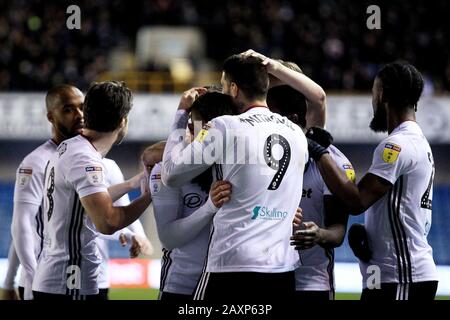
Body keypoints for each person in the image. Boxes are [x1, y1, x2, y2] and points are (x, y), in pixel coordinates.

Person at [162, 53, 308, 301]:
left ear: (234, 88)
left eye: (223, 85)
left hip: (233, 262)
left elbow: (171, 174)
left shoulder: (225, 126)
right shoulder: (296, 132)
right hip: (282, 267)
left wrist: (180, 116)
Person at [307, 62, 439, 300]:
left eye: (373, 92)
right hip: (400, 274)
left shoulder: (396, 145)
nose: (372, 101)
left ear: (383, 94)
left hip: (400, 277)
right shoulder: (417, 142)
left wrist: (319, 153)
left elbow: (356, 201)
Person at [32, 81, 151, 300]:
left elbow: (83, 201)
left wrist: (132, 184)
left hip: (62, 277)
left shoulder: (73, 147)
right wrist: (149, 195)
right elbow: (108, 222)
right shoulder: (85, 159)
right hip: (69, 279)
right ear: (122, 121)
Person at [147, 92, 234, 301]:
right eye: (190, 126)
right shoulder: (164, 170)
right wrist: (209, 207)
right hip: (181, 283)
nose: (192, 134)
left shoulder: (238, 167)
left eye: (193, 126)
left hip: (230, 279)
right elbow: (168, 238)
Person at [5, 85, 84, 300]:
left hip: (76, 277)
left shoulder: (85, 158)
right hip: (44, 282)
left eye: (82, 108)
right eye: (69, 109)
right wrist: (32, 276)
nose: (79, 115)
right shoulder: (35, 162)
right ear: (51, 116)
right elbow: (21, 226)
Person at [96, 158, 153, 299]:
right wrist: (127, 235)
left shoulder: (109, 166)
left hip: (98, 275)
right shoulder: (54, 160)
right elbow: (81, 221)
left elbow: (124, 206)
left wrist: (140, 236)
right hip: (60, 272)